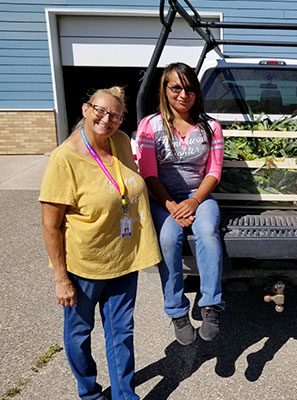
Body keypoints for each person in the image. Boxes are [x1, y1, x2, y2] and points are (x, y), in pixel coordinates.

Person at [39, 86, 161, 400]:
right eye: (101, 110)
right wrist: (60, 278)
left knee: (122, 334)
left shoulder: (120, 142)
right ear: (85, 109)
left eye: (116, 116)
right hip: (84, 267)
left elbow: (130, 189)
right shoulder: (64, 158)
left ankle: (124, 394)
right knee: (79, 335)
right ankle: (90, 392)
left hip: (123, 260)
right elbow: (51, 225)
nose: (107, 119)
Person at [136, 62, 225, 345]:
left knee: (208, 232)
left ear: (197, 92)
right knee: (167, 238)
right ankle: (177, 311)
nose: (183, 94)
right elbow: (148, 173)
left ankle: (211, 306)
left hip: (199, 196)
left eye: (189, 88)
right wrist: (173, 207)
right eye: (176, 87)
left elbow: (214, 172)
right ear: (164, 90)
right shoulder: (150, 126)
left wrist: (195, 201)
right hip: (163, 198)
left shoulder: (210, 127)